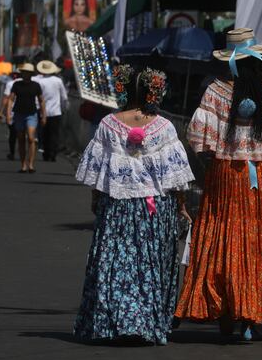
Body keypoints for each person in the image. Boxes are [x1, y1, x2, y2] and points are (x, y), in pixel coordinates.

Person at [175, 28, 262, 341]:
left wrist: (215, 165)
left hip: (226, 176)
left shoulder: (215, 92)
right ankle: (251, 318)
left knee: (224, 244)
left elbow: (198, 140)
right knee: (258, 245)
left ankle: (225, 314)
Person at [74, 65, 195, 345]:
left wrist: (95, 199)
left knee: (115, 261)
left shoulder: (108, 124)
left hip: (117, 206)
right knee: (150, 264)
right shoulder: (164, 127)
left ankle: (114, 322)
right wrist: (181, 205)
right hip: (154, 209)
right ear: (155, 92)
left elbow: (97, 171)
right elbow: (175, 174)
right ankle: (145, 323)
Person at [5, 63, 45, 173]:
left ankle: (31, 164)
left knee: (31, 138)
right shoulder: (17, 85)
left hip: (31, 114)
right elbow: (11, 99)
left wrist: (43, 115)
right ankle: (23, 164)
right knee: (21, 139)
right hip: (18, 114)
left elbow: (41, 100)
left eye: (27, 72)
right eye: (23, 72)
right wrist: (8, 115)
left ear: (31, 74)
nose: (24, 74)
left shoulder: (36, 85)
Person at [34, 60, 69, 161]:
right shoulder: (58, 81)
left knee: (44, 133)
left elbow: (38, 98)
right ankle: (53, 154)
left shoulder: (40, 82)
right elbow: (64, 96)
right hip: (56, 111)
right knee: (54, 133)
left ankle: (46, 152)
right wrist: (64, 108)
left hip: (43, 112)